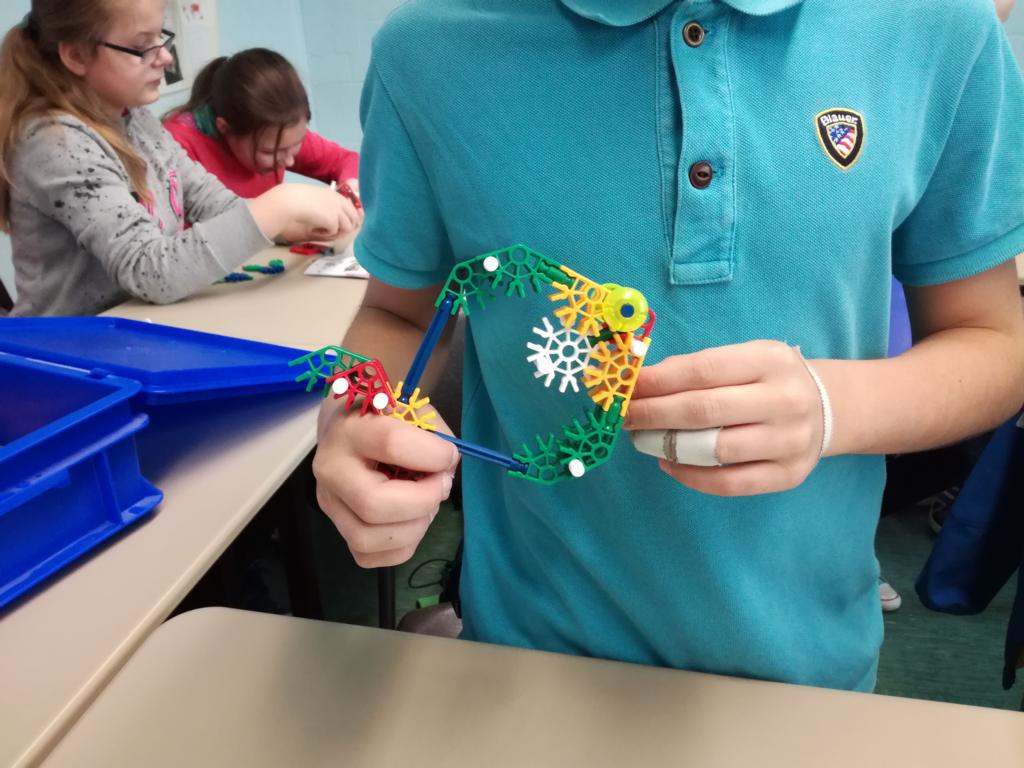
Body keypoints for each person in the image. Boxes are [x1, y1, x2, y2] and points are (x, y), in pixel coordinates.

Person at [312, 0, 1024, 692]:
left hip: (809, 667)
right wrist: (358, 415)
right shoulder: (431, 51)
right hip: (527, 661)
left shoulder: (938, 26)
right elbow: (397, 315)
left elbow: (996, 338)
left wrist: (834, 406)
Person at [0, 0, 362, 317]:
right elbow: (149, 271)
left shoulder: (135, 118)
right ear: (77, 55)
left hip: (139, 331)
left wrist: (285, 227)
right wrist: (280, 206)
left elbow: (206, 199)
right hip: (73, 356)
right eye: (142, 46)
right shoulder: (54, 143)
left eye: (161, 37)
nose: (165, 57)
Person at [163, 49, 359, 201]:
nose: (289, 161)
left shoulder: (280, 133)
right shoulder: (175, 147)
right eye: (270, 152)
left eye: (297, 143)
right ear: (225, 129)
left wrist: (349, 187)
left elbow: (346, 160)